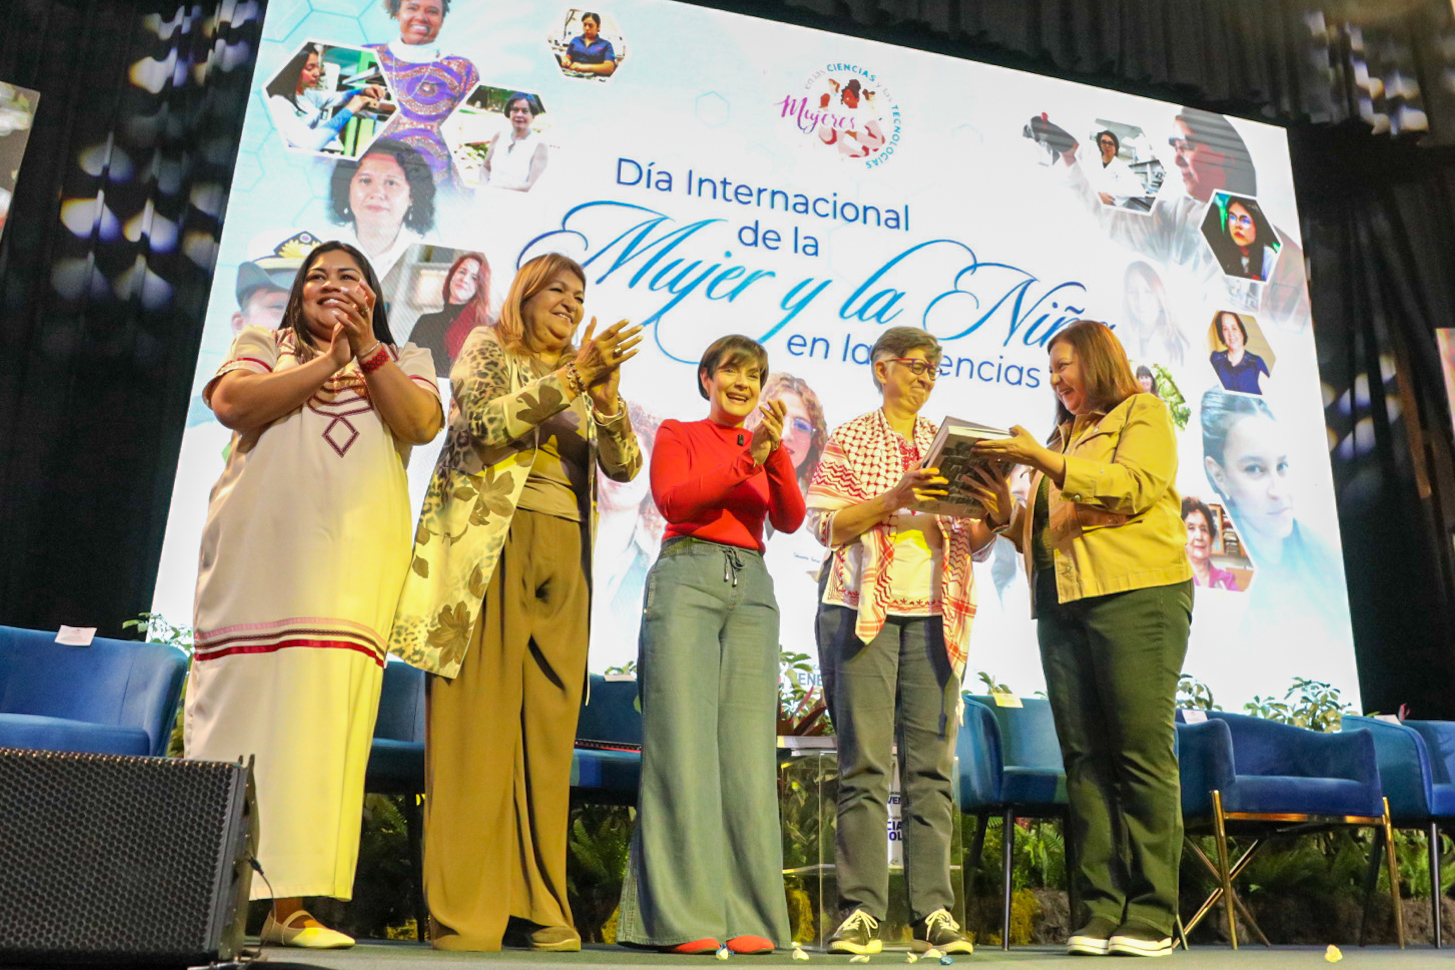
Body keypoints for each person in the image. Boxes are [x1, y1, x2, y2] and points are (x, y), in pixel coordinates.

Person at [186, 241, 443, 949]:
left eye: (349, 276)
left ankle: (289, 909)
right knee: (240, 718)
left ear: (374, 296)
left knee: (320, 728)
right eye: (316, 277)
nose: (330, 284)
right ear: (297, 295)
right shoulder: (264, 342)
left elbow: (419, 424)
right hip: (258, 559)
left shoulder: (405, 357)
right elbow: (235, 404)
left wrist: (363, 351)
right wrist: (325, 362)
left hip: (351, 567)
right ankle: (205, 899)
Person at [389, 252, 644, 952]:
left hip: (565, 555)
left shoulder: (588, 377)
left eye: (579, 293)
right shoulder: (487, 347)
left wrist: (608, 395)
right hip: (489, 549)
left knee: (545, 734)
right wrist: (573, 376)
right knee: (476, 729)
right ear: (525, 298)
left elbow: (625, 465)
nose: (569, 301)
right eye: (556, 290)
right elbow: (481, 422)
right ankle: (466, 912)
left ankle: (538, 907)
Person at [967, 319, 1192, 959]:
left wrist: (1043, 460)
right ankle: (1098, 911)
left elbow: (1131, 489)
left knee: (1139, 753)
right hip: (1061, 603)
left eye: (1065, 365)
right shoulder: (1060, 436)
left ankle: (1151, 914)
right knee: (1085, 758)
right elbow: (1039, 531)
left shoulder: (1140, 414)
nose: (1058, 380)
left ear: (1097, 359)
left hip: (1135, 595)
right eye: (1051, 372)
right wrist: (998, 510)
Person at [806, 326, 998, 957]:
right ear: (881, 368)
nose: (926, 377)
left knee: (931, 770)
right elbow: (825, 524)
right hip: (864, 610)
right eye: (916, 366)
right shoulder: (852, 435)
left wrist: (990, 513)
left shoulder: (944, 441)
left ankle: (934, 912)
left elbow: (972, 535)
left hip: (937, 615)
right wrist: (896, 497)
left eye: (934, 368)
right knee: (863, 761)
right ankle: (861, 909)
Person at [617, 335, 805, 954]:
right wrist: (753, 455)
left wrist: (771, 454)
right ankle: (682, 917)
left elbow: (791, 518)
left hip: (751, 587)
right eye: (732, 370)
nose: (744, 382)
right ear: (706, 378)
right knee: (683, 744)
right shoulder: (678, 432)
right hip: (688, 576)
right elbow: (678, 499)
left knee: (747, 754)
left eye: (755, 374)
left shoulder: (763, 444)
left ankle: (747, 915)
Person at [1031, 107, 1309, 326]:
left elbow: (1292, 323)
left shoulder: (1267, 241)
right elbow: (1120, 224)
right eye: (1174, 147)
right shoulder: (1178, 217)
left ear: (1227, 155)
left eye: (1187, 146)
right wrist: (1071, 156)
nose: (1176, 159)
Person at [1199, 389, 1346, 622]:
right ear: (1219, 475)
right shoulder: (1208, 569)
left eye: (1282, 466)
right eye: (1255, 469)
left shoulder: (1326, 559)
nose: (1278, 491)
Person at [368, 0, 479, 183]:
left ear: (442, 20)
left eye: (432, 11)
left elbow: (464, 145)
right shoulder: (369, 55)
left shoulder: (462, 70)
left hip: (431, 187)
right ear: (397, 12)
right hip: (371, 181)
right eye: (412, 8)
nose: (421, 17)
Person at [327, 138, 435, 277]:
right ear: (347, 189)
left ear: (412, 196)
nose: (377, 193)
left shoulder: (422, 251)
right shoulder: (323, 244)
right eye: (365, 181)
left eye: (391, 183)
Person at [265, 44, 385, 152]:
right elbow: (310, 144)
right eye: (310, 68)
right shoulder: (278, 103)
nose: (317, 73)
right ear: (293, 69)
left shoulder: (306, 94)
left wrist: (363, 90)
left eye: (317, 67)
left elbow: (339, 97)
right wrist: (349, 110)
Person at [407, 250, 492, 377]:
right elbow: (407, 366)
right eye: (462, 271)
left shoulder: (486, 328)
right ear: (452, 275)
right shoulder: (425, 322)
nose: (464, 279)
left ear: (479, 287)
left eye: (474, 278)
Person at [746, 372, 827, 498]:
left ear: (814, 443)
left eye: (801, 426)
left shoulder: (818, 511)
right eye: (775, 417)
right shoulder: (722, 483)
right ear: (752, 422)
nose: (786, 434)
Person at [1121, 261, 1189, 366]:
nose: (1140, 301)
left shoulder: (1178, 343)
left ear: (1159, 294)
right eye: (1133, 292)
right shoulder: (1125, 340)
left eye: (1148, 292)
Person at [1204, 194, 1280, 282]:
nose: (1237, 225)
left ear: (1257, 225)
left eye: (1245, 220)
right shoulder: (1221, 254)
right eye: (1232, 217)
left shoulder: (1268, 256)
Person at [483, 93, 548, 192]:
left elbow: (531, 185)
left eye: (525, 111)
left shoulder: (539, 145)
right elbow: (485, 167)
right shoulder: (499, 135)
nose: (519, 115)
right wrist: (483, 186)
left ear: (533, 116)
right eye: (515, 110)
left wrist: (497, 189)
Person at [1182, 496, 1240, 590]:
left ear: (1211, 538)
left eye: (1204, 529)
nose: (1199, 536)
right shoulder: (1173, 579)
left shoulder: (1226, 581)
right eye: (1191, 528)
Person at [1209, 310, 1269, 394]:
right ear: (1221, 334)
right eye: (1225, 329)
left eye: (1234, 328)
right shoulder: (1215, 359)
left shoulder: (1256, 363)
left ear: (1241, 331)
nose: (1231, 334)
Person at [1088, 130, 1145, 208]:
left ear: (1115, 148)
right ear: (1099, 145)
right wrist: (1096, 195)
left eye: (1111, 143)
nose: (1107, 146)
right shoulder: (1091, 163)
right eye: (1104, 142)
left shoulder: (1122, 167)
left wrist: (1108, 196)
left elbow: (1138, 191)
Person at [559, 11, 618, 76]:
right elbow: (568, 56)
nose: (587, 28)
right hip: (573, 74)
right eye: (585, 25)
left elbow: (609, 67)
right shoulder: (575, 40)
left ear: (598, 27)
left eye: (590, 26)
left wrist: (583, 67)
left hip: (594, 78)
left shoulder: (606, 44)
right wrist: (566, 60)